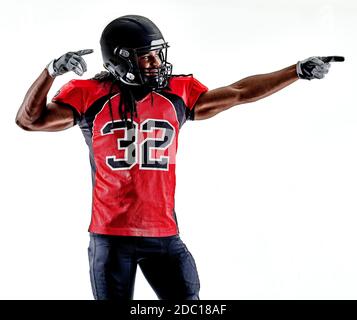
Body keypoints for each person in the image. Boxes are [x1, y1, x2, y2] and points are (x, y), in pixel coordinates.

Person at [15, 15, 344, 300]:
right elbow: (29, 120)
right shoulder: (91, 96)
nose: (157, 63)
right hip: (111, 237)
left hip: (164, 234)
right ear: (120, 61)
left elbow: (240, 92)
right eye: (147, 57)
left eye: (159, 54)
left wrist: (296, 71)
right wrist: (50, 71)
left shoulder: (176, 93)